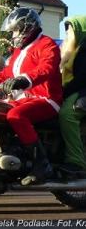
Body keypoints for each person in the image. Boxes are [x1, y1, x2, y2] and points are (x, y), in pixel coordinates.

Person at [0, 7, 63, 185]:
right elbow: (7, 73)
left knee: (16, 115)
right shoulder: (19, 51)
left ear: (27, 27)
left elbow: (47, 68)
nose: (13, 35)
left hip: (46, 99)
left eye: (15, 31)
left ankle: (42, 164)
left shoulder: (46, 44)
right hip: (24, 99)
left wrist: (23, 80)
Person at [58, 15, 86, 176]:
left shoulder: (84, 48)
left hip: (82, 92)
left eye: (71, 30)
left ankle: (76, 161)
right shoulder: (75, 50)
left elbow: (82, 77)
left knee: (67, 114)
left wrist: (64, 91)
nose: (67, 34)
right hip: (77, 91)